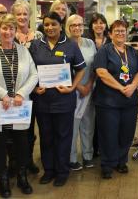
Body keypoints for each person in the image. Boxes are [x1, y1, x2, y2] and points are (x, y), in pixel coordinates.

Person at [0, 14, 38, 198]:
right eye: (4, 28)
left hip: (18, 108)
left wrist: (21, 93)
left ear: (15, 30)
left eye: (11, 28)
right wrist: (2, 94)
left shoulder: (23, 51)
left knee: (21, 145)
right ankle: (3, 180)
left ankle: (21, 176)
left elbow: (34, 75)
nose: (8, 31)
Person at [29, 12, 85, 187]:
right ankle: (49, 170)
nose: (50, 28)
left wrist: (73, 87)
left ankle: (62, 171)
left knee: (63, 136)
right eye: (46, 25)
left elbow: (81, 69)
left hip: (64, 101)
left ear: (61, 26)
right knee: (46, 137)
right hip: (43, 101)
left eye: (53, 24)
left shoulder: (71, 45)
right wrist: (34, 87)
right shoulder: (36, 45)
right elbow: (29, 71)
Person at [93, 20, 138, 179]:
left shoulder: (132, 52)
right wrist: (121, 88)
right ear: (110, 34)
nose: (120, 33)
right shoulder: (104, 51)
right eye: (117, 31)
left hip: (129, 101)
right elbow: (102, 73)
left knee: (126, 133)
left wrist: (133, 86)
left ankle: (121, 161)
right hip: (108, 101)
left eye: (123, 31)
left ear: (127, 32)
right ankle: (107, 164)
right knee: (108, 133)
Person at [11, 0, 42, 174]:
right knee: (14, 128)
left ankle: (28, 160)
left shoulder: (38, 36)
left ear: (30, 16)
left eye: (25, 13)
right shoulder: (8, 35)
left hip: (35, 90)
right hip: (13, 91)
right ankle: (14, 162)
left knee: (30, 128)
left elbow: (43, 64)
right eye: (18, 14)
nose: (22, 17)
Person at [64, 14, 97, 171]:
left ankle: (87, 155)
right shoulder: (64, 44)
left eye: (79, 25)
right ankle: (71, 157)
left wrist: (89, 85)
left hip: (89, 90)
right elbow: (63, 70)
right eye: (73, 25)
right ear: (68, 28)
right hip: (72, 90)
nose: (77, 28)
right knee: (72, 125)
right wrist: (79, 86)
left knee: (88, 124)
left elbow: (95, 66)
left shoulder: (90, 43)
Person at [86, 12, 110, 156]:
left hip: (106, 84)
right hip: (89, 82)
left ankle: (104, 146)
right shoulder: (86, 41)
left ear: (105, 25)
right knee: (90, 118)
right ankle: (93, 148)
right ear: (91, 25)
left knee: (104, 118)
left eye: (101, 22)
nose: (99, 25)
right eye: (96, 22)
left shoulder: (111, 40)